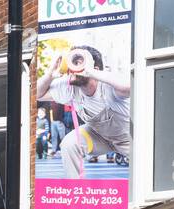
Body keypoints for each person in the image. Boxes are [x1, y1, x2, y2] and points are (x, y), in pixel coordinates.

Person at [36, 46, 131, 179]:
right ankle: (77, 190)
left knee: (147, 169)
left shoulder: (108, 85)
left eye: (79, 61)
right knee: (69, 144)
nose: (72, 66)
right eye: (72, 61)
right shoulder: (70, 86)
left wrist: (91, 72)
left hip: (128, 139)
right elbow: (37, 94)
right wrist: (50, 75)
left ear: (95, 69)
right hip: (98, 136)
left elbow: (128, 86)